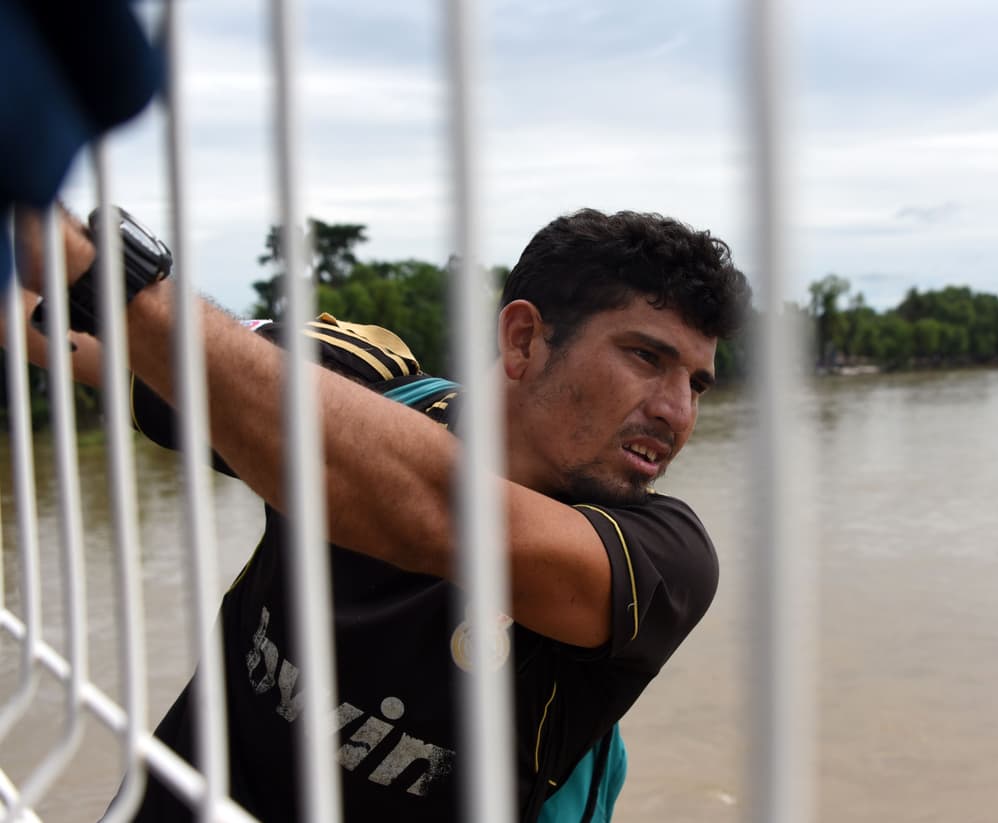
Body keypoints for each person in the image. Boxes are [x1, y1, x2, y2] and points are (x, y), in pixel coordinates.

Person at [11, 204, 751, 822]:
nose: (677, 412)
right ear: (524, 338)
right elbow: (78, 335)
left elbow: (431, 512)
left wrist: (100, 269)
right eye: (646, 358)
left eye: (698, 383)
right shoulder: (369, 384)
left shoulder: (661, 557)